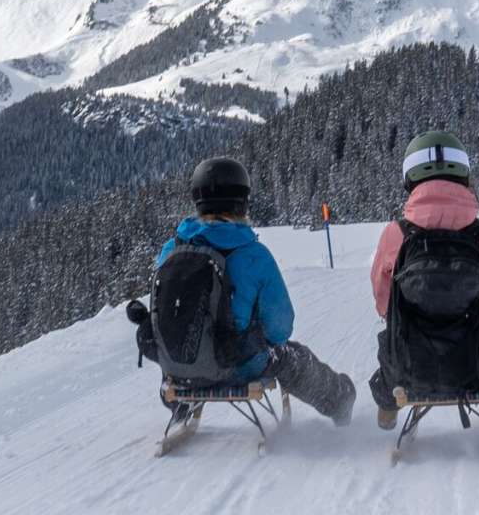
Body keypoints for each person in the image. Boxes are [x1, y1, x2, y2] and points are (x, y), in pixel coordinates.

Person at [130, 156, 357, 424]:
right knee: (291, 356)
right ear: (242, 200)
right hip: (236, 367)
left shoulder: (171, 250)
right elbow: (280, 328)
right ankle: (339, 401)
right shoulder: (254, 255)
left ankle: (179, 406)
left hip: (177, 368)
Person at [366, 131, 479, 431]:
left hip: (412, 364)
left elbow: (384, 302)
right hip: (475, 362)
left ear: (409, 178)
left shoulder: (396, 234)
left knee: (388, 352)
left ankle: (387, 408)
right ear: (463, 174)